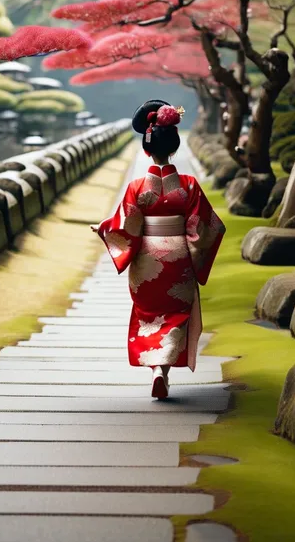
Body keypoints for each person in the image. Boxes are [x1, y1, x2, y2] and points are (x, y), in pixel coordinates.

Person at [91, 100, 225, 399]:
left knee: (149, 313)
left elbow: (126, 225)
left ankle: (155, 370)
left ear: (146, 150)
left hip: (146, 260)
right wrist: (193, 253)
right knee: (176, 312)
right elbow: (207, 226)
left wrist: (105, 228)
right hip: (178, 256)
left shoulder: (138, 187)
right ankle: (163, 371)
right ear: (175, 147)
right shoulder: (188, 185)